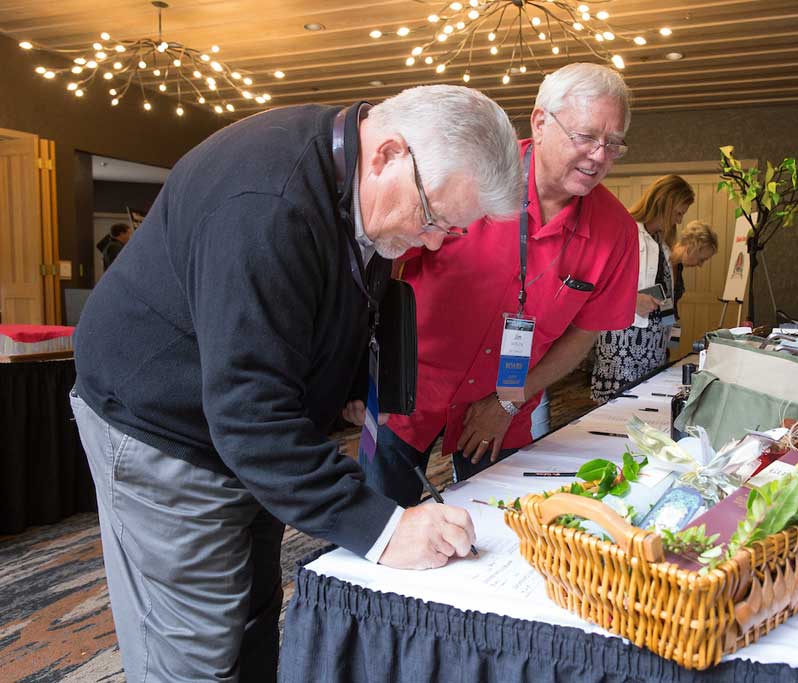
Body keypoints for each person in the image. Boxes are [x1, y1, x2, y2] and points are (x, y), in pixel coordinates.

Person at [69, 85, 522, 682]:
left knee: (253, 619)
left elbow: (328, 301)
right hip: (164, 426)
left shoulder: (366, 185)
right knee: (195, 652)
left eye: (452, 231)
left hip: (243, 426)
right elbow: (247, 413)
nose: (434, 241)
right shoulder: (266, 201)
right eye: (434, 218)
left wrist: (350, 381)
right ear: (388, 154)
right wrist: (385, 529)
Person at [363, 63, 640, 508]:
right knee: (377, 529)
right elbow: (385, 268)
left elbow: (584, 332)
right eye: (586, 136)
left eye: (613, 144)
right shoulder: (465, 175)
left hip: (506, 409)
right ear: (540, 121)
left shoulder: (618, 232)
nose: (598, 156)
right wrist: (368, 372)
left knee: (496, 533)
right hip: (406, 398)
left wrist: (509, 400)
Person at [591, 201, 718, 402]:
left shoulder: (675, 266)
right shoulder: (654, 251)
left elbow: (669, 307)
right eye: (702, 258)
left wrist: (670, 342)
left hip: (654, 345)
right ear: (694, 246)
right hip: (627, 341)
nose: (701, 265)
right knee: (619, 400)